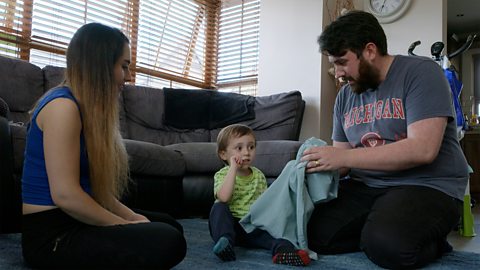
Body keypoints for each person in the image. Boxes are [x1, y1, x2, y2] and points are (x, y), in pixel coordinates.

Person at [301, 10, 469, 269]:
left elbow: (422, 149)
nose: (337, 73)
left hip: (428, 185)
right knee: (309, 230)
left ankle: (424, 239)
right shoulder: (346, 97)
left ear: (369, 51)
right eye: (334, 64)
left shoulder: (422, 73)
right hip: (367, 186)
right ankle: (381, 226)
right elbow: (342, 161)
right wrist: (314, 163)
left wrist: (343, 157)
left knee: (388, 247)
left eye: (342, 62)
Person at [21, 23, 186, 269]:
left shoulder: (84, 110)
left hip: (75, 220)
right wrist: (124, 226)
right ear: (100, 65)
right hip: (51, 236)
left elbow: (95, 192)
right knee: (168, 240)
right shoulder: (62, 108)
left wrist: (131, 217)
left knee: (170, 225)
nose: (128, 77)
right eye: (124, 66)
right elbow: (65, 195)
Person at [209, 124, 311, 266]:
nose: (246, 153)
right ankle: (225, 242)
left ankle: (283, 251)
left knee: (275, 236)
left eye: (251, 147)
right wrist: (232, 168)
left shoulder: (259, 176)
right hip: (229, 225)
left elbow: (265, 205)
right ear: (223, 154)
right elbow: (224, 197)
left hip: (251, 226)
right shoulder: (222, 175)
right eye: (239, 148)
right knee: (219, 208)